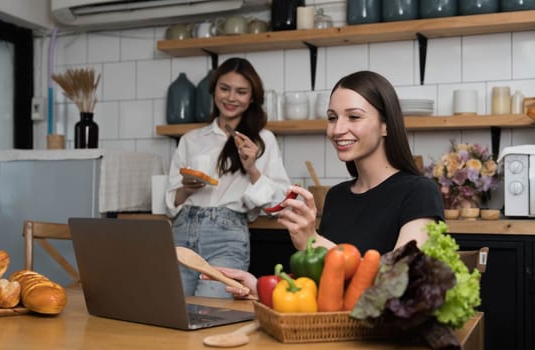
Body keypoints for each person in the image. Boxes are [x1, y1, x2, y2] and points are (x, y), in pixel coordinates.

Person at [209, 70, 444, 299]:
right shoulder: (337, 196)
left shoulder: (419, 192)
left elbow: (399, 279)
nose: (337, 129)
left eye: (354, 116)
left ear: (386, 125)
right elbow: (324, 287)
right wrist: (263, 289)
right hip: (333, 331)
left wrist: (314, 240)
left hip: (383, 335)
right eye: (332, 117)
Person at [165, 57, 291, 298]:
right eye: (225, 89)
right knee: (173, 309)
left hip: (226, 235)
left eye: (241, 92)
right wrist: (187, 189)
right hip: (181, 232)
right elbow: (172, 203)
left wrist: (251, 167)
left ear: (252, 97)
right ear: (213, 91)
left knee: (211, 310)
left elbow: (278, 204)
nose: (231, 98)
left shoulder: (263, 140)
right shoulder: (191, 139)